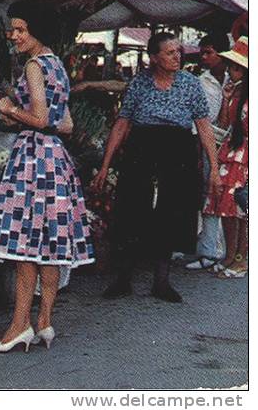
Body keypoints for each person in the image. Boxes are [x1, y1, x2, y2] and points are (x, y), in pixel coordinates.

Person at [0, 0, 93, 353]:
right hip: (57, 158)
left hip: (32, 158)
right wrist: (26, 114)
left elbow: (39, 119)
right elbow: (66, 123)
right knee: (51, 246)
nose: (13, 35)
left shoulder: (32, 66)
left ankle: (18, 327)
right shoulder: (56, 64)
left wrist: (10, 109)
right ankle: (45, 322)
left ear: (36, 30)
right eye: (12, 29)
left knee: (26, 246)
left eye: (20, 29)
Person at [92, 32, 221, 303]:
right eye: (170, 52)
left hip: (178, 149)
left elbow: (204, 126)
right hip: (142, 147)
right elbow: (122, 123)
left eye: (178, 51)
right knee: (131, 206)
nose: (177, 56)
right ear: (154, 58)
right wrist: (105, 165)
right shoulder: (140, 83)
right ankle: (123, 278)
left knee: (172, 210)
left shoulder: (190, 84)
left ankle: (161, 281)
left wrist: (215, 168)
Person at [204, 36, 248, 279]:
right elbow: (223, 125)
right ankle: (231, 255)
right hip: (232, 153)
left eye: (237, 68)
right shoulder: (234, 92)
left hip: (246, 157)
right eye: (231, 66)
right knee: (228, 209)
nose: (231, 71)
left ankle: (242, 259)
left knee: (244, 211)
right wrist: (226, 98)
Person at [186, 34, 231, 270]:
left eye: (209, 52)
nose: (204, 57)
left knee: (225, 195)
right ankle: (207, 248)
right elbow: (202, 121)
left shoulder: (237, 80)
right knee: (209, 193)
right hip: (208, 141)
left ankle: (221, 250)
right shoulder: (202, 81)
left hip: (234, 145)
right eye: (202, 53)